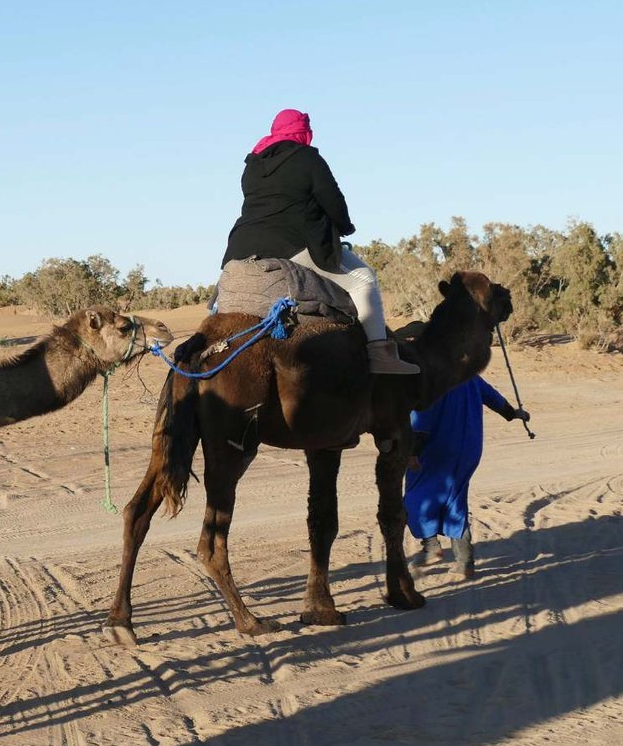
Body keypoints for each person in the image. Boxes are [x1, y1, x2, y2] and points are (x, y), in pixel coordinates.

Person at [222, 108, 418, 375]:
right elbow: (332, 199)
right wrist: (345, 226)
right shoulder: (307, 158)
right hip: (293, 244)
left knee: (223, 297)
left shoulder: (252, 166)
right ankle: (380, 354)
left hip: (240, 247)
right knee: (364, 280)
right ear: (303, 131)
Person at [405, 375, 530, 571]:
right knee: (455, 500)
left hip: (436, 451)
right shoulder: (471, 376)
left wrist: (413, 451)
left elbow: (422, 417)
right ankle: (465, 561)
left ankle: (431, 546)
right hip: (469, 451)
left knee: (417, 497)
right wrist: (512, 413)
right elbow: (493, 397)